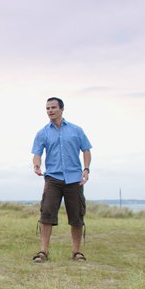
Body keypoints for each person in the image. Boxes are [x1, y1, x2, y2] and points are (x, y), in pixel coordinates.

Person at [31, 97, 91, 263]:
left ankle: (77, 252)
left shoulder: (76, 130)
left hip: (74, 179)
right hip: (53, 178)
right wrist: (36, 166)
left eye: (53, 107)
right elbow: (37, 153)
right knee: (46, 214)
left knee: (77, 217)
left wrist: (86, 169)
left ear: (61, 109)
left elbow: (86, 150)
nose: (50, 110)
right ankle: (43, 251)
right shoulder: (42, 133)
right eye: (47, 108)